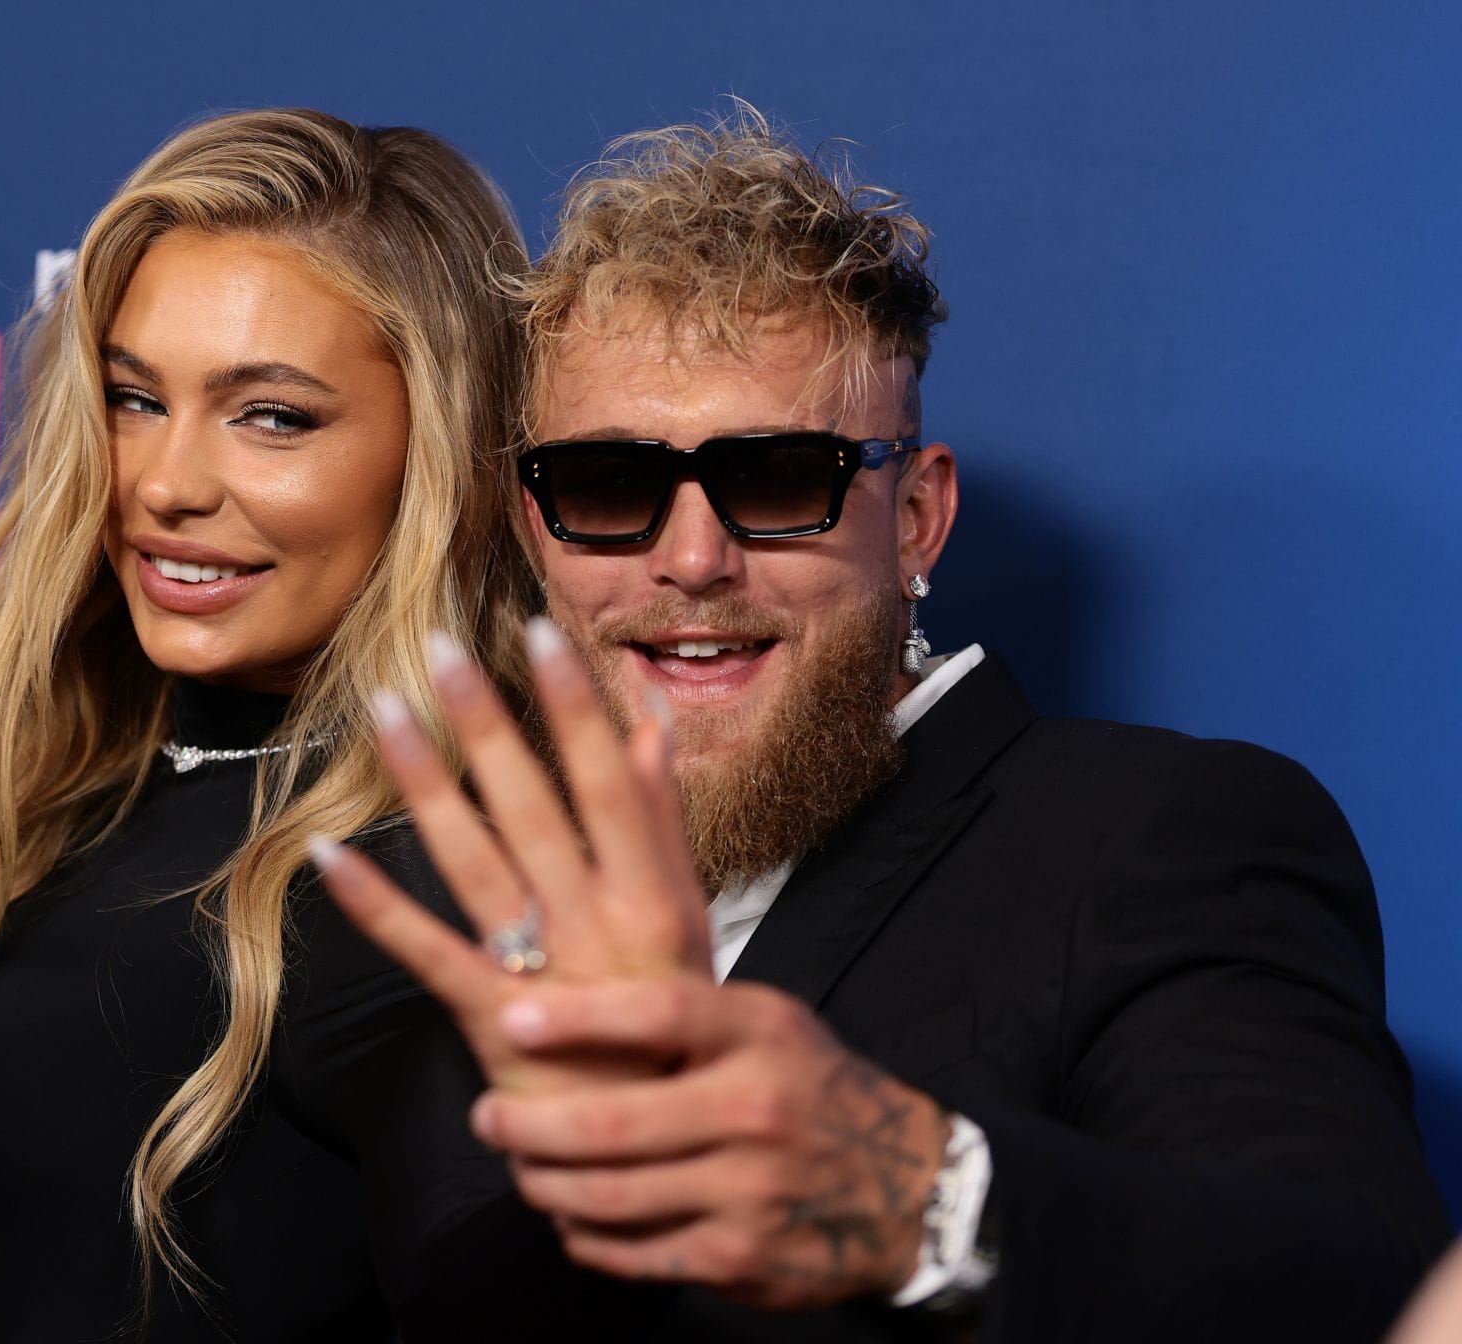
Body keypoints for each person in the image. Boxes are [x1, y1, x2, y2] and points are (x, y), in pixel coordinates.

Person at [314, 106, 1454, 1341]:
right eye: (609, 484)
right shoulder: (448, 907)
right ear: (537, 529)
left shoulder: (1155, 836)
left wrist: (917, 1197)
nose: (692, 557)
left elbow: (1352, 1284)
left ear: (915, 519)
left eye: (777, 480)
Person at [0, 107, 547, 1340]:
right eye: (135, 398)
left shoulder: (453, 874)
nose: (166, 483)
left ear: (442, 453)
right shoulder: (92, 772)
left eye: (273, 416)